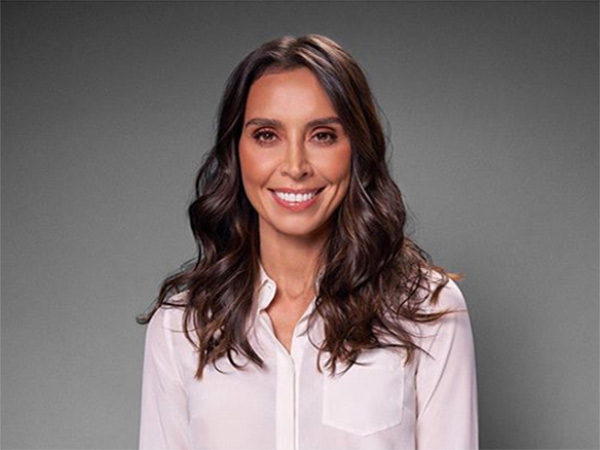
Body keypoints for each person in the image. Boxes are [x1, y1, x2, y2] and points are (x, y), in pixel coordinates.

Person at [138, 34, 478, 450]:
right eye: (267, 135)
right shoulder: (181, 326)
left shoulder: (427, 311)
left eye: (323, 135)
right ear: (235, 151)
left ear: (357, 149)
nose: (295, 166)